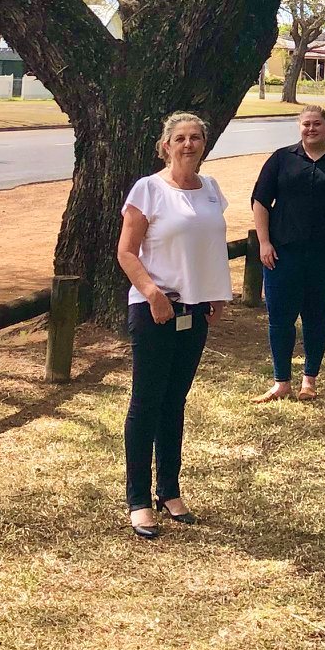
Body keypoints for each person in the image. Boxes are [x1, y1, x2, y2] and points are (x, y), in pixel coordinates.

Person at [117, 111, 233, 538]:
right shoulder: (148, 190)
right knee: (146, 402)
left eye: (196, 137)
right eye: (180, 138)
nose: (189, 144)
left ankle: (169, 489)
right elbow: (127, 252)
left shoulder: (211, 190)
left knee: (176, 400)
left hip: (194, 311)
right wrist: (152, 294)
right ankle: (138, 499)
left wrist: (218, 293)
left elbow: (211, 247)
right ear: (166, 145)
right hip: (154, 310)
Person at [249, 106, 325, 402]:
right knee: (280, 319)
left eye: (317, 124)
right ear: (299, 127)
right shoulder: (281, 159)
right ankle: (281, 382)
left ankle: (309, 380)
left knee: (316, 318)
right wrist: (264, 243)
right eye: (306, 124)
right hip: (282, 255)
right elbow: (261, 201)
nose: (311, 129)